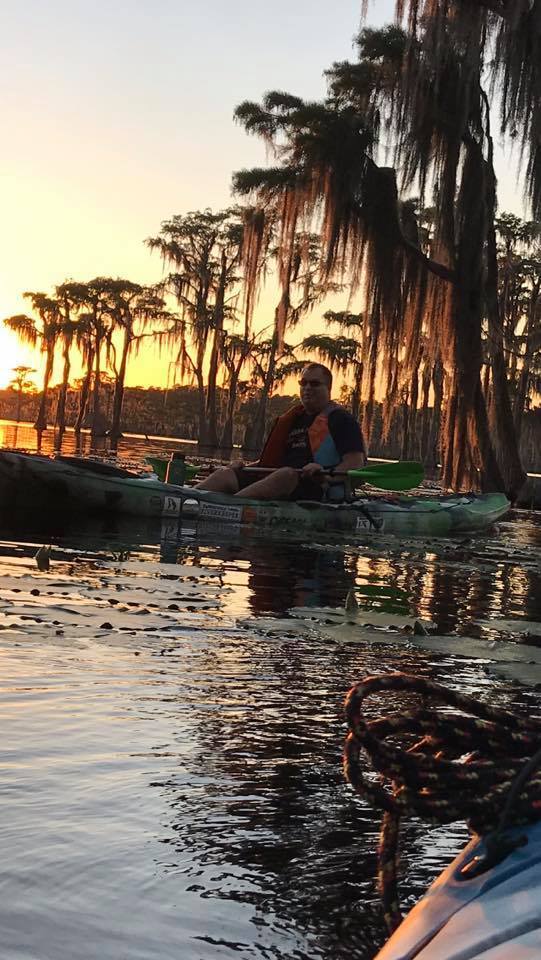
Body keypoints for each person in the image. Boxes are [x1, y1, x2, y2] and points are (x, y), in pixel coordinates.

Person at [195, 362, 367, 501]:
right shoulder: (294, 418)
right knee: (226, 474)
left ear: (328, 389)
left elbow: (356, 463)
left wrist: (324, 473)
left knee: (287, 473)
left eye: (314, 384)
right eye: (303, 383)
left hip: (316, 487)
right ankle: (187, 499)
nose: (307, 388)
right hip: (277, 481)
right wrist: (245, 467)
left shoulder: (341, 420)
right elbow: (274, 461)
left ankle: (232, 507)